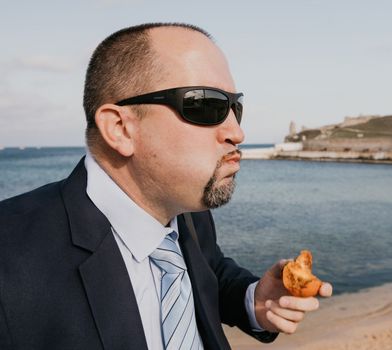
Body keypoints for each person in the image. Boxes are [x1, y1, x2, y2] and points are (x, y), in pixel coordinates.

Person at [0, 23, 332, 350]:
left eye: (235, 107)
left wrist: (253, 300)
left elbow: (208, 270)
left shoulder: (187, 211)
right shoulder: (11, 256)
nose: (237, 132)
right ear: (120, 129)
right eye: (206, 104)